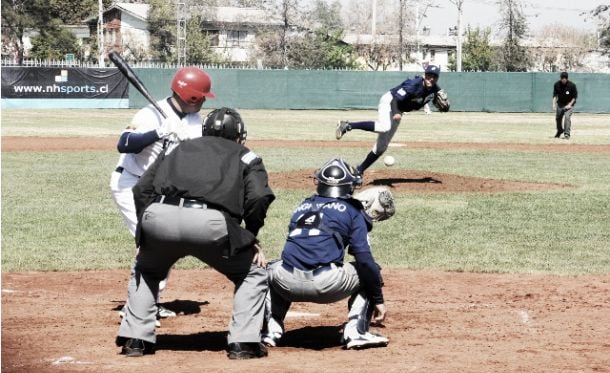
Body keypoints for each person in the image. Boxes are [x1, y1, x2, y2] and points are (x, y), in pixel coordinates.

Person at [115, 107, 276, 359]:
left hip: (159, 217)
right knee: (253, 272)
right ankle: (243, 343)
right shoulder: (246, 155)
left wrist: (143, 235)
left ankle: (136, 341)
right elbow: (259, 197)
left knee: (147, 269)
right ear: (239, 134)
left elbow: (141, 189)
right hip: (211, 224)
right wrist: (250, 236)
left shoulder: (176, 148)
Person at [109, 67, 215, 325]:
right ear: (190, 96)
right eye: (201, 96)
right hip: (131, 185)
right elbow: (124, 144)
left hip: (160, 191)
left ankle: (149, 302)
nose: (203, 100)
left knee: (164, 243)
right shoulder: (150, 114)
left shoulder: (194, 121)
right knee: (154, 244)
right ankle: (137, 308)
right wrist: (158, 133)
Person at [262, 158, 389, 350]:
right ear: (349, 186)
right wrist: (378, 299)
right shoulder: (353, 210)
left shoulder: (302, 206)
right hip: (326, 285)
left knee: (271, 267)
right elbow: (364, 261)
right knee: (371, 270)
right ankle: (356, 332)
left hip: (286, 282)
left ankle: (270, 328)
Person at [335, 65, 449, 181]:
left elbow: (443, 103)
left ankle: (359, 171)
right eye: (429, 75)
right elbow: (395, 98)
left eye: (434, 77)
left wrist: (445, 108)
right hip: (390, 102)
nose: (431, 78)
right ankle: (347, 125)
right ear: (425, 75)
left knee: (381, 147)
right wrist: (396, 113)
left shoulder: (435, 89)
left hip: (399, 109)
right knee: (384, 127)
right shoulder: (413, 84)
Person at [552, 71, 578, 140]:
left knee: (567, 117)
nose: (563, 79)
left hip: (569, 104)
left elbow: (574, 97)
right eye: (562, 78)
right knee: (558, 118)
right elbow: (555, 96)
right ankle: (560, 130)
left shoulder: (572, 85)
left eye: (565, 78)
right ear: (560, 78)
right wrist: (553, 104)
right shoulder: (556, 84)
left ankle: (566, 134)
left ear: (567, 79)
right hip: (560, 104)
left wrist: (569, 105)